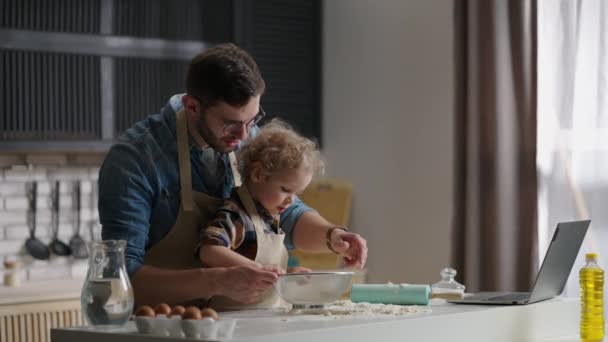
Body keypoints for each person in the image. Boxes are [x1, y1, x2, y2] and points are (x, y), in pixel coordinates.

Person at [98, 43, 367, 308]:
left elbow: (287, 213)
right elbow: (119, 277)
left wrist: (333, 236)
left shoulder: (246, 137)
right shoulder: (134, 159)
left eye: (252, 120)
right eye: (230, 124)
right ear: (192, 106)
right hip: (161, 330)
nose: (243, 136)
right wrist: (215, 281)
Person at [197, 119, 327, 309]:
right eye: (285, 189)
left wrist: (286, 275)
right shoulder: (235, 214)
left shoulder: (269, 218)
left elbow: (267, 272)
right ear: (258, 174)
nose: (291, 200)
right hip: (233, 319)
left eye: (296, 194)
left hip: (264, 318)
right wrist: (259, 270)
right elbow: (209, 251)